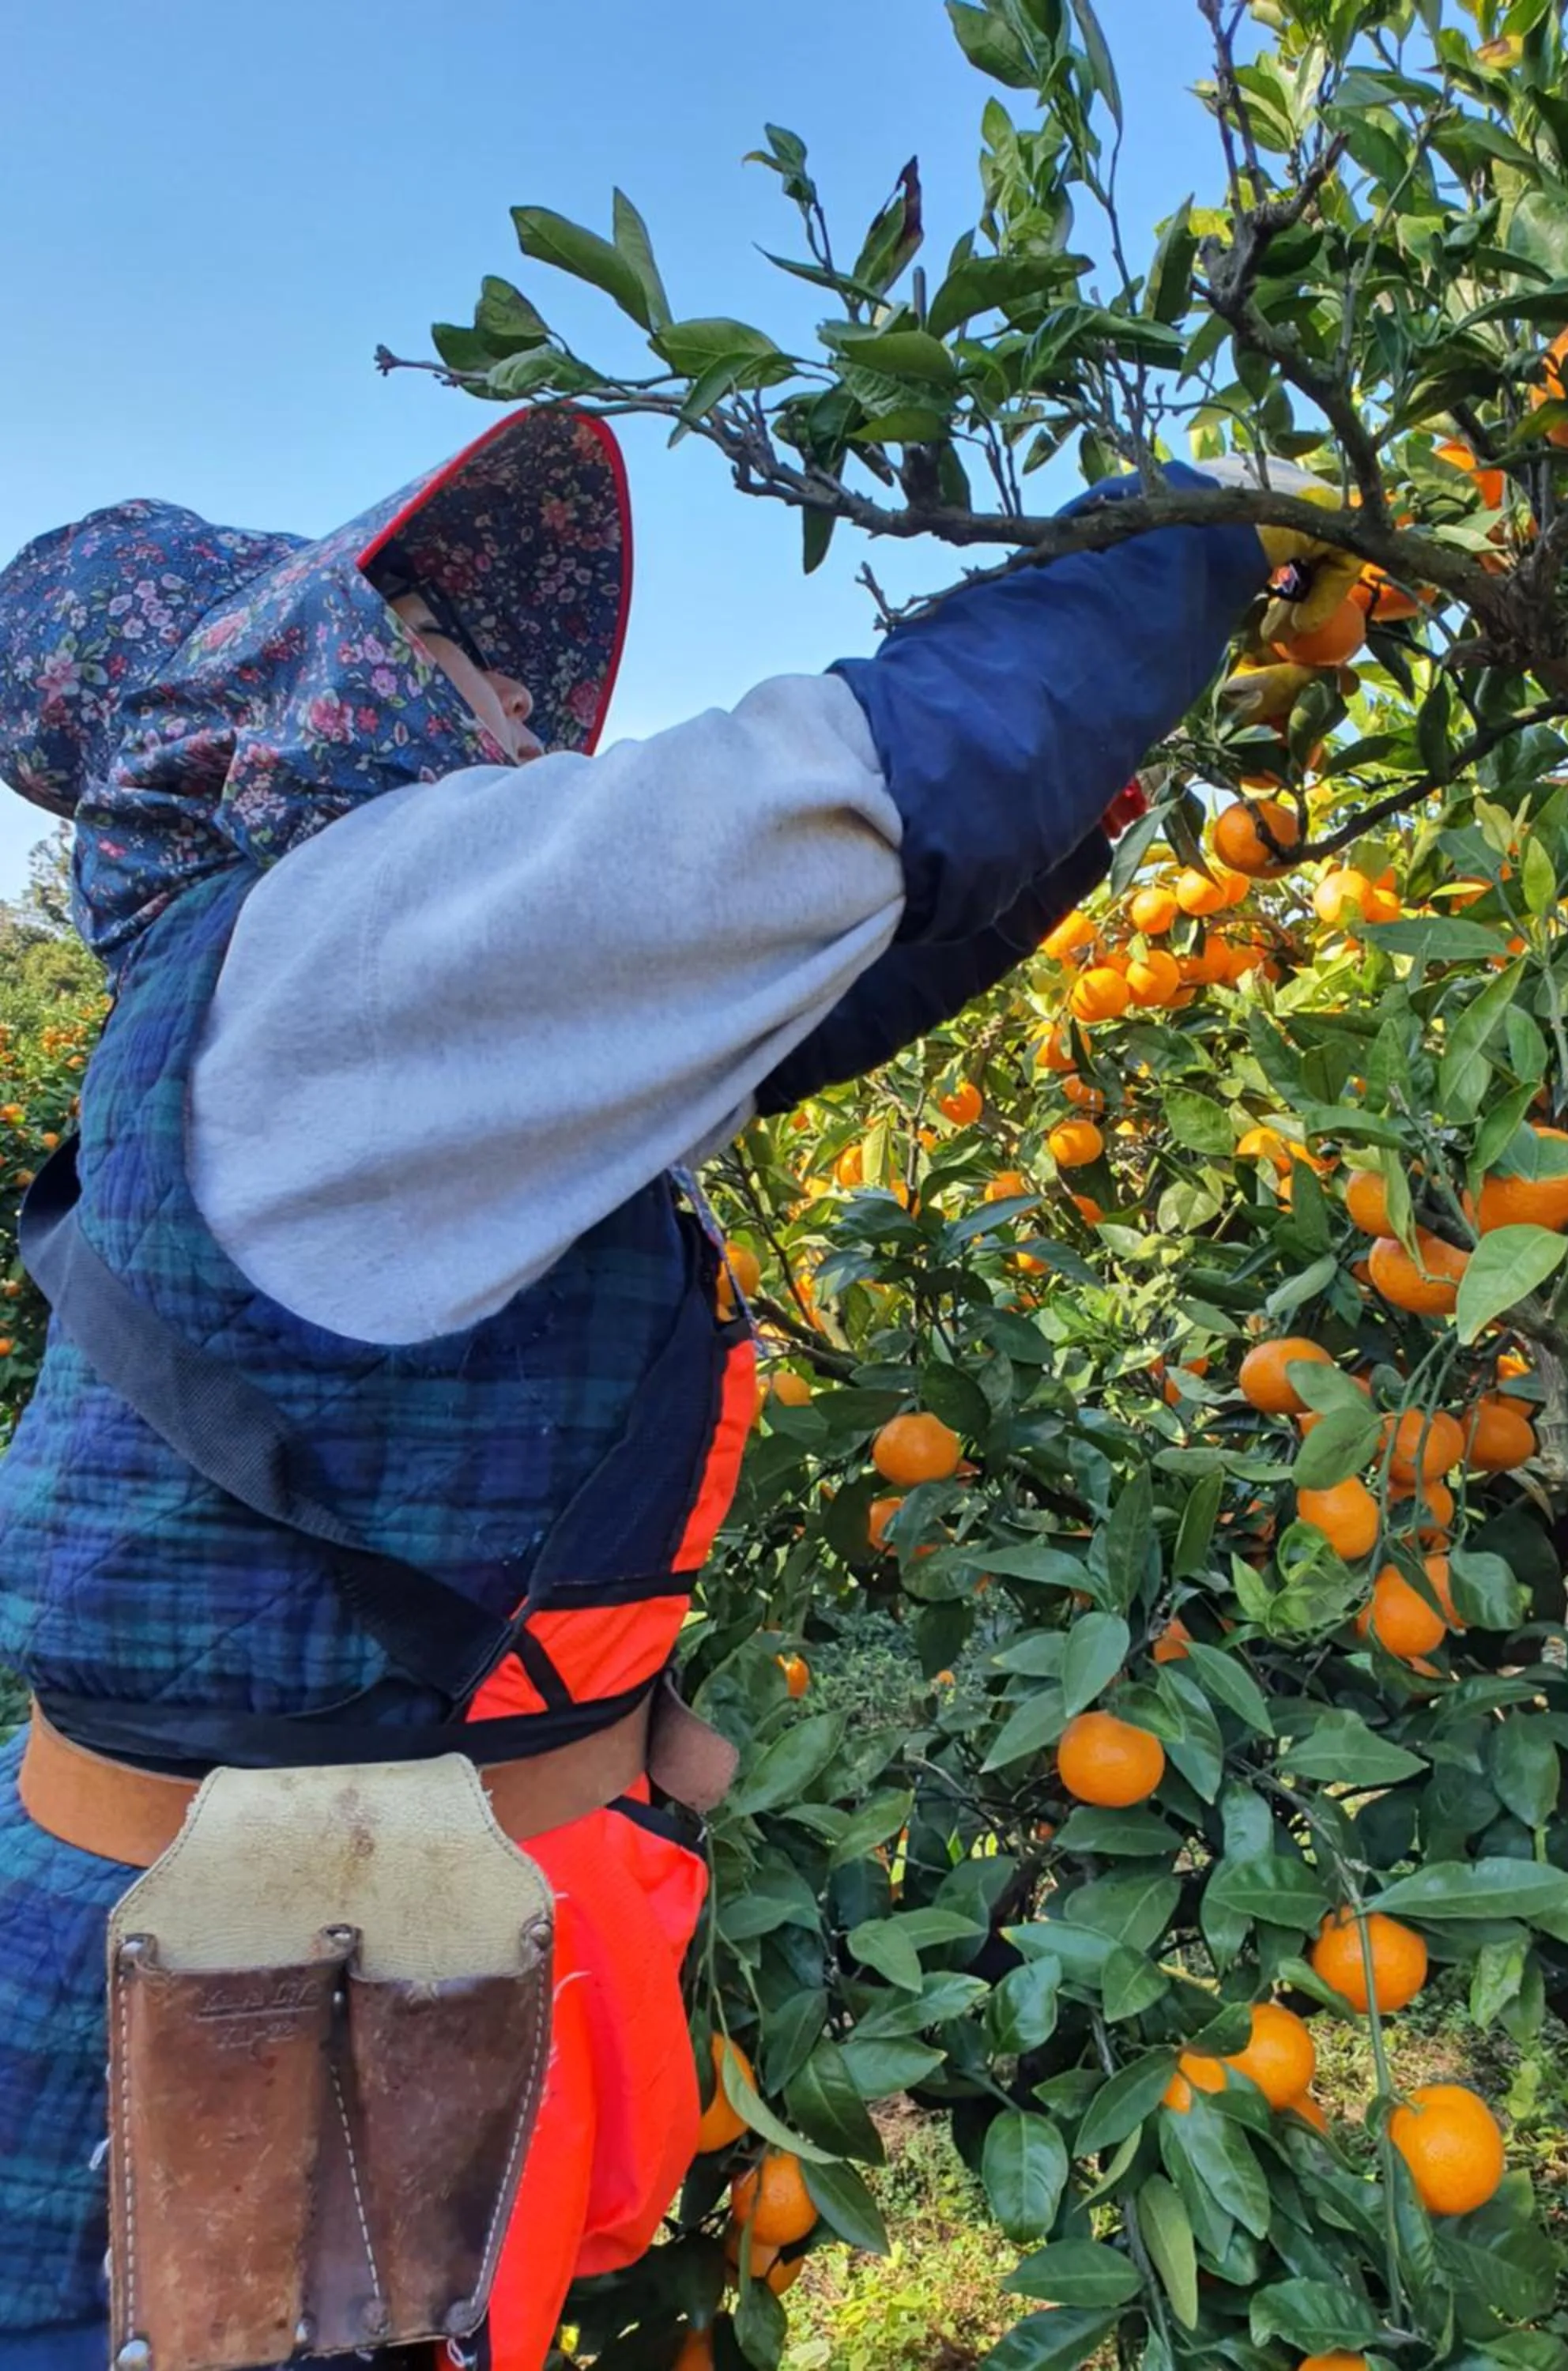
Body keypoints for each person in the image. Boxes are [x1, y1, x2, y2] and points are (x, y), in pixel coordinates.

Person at [0, 401, 1344, 2371]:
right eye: (458, 651)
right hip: (252, 2003)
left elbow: (808, 971)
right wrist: (1208, 534)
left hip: (325, 1937)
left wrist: (1113, 783)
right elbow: (854, 794)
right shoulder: (353, 941)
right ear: (293, 674)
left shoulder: (313, 977)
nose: (534, 711)